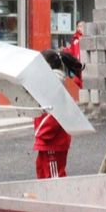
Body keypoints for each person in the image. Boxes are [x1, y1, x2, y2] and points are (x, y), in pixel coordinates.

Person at [34, 49, 74, 179]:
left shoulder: (55, 86)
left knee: (54, 178)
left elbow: (55, 115)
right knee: (44, 173)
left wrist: (40, 133)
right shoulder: (50, 83)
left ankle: (58, 200)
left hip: (52, 141)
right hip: (47, 141)